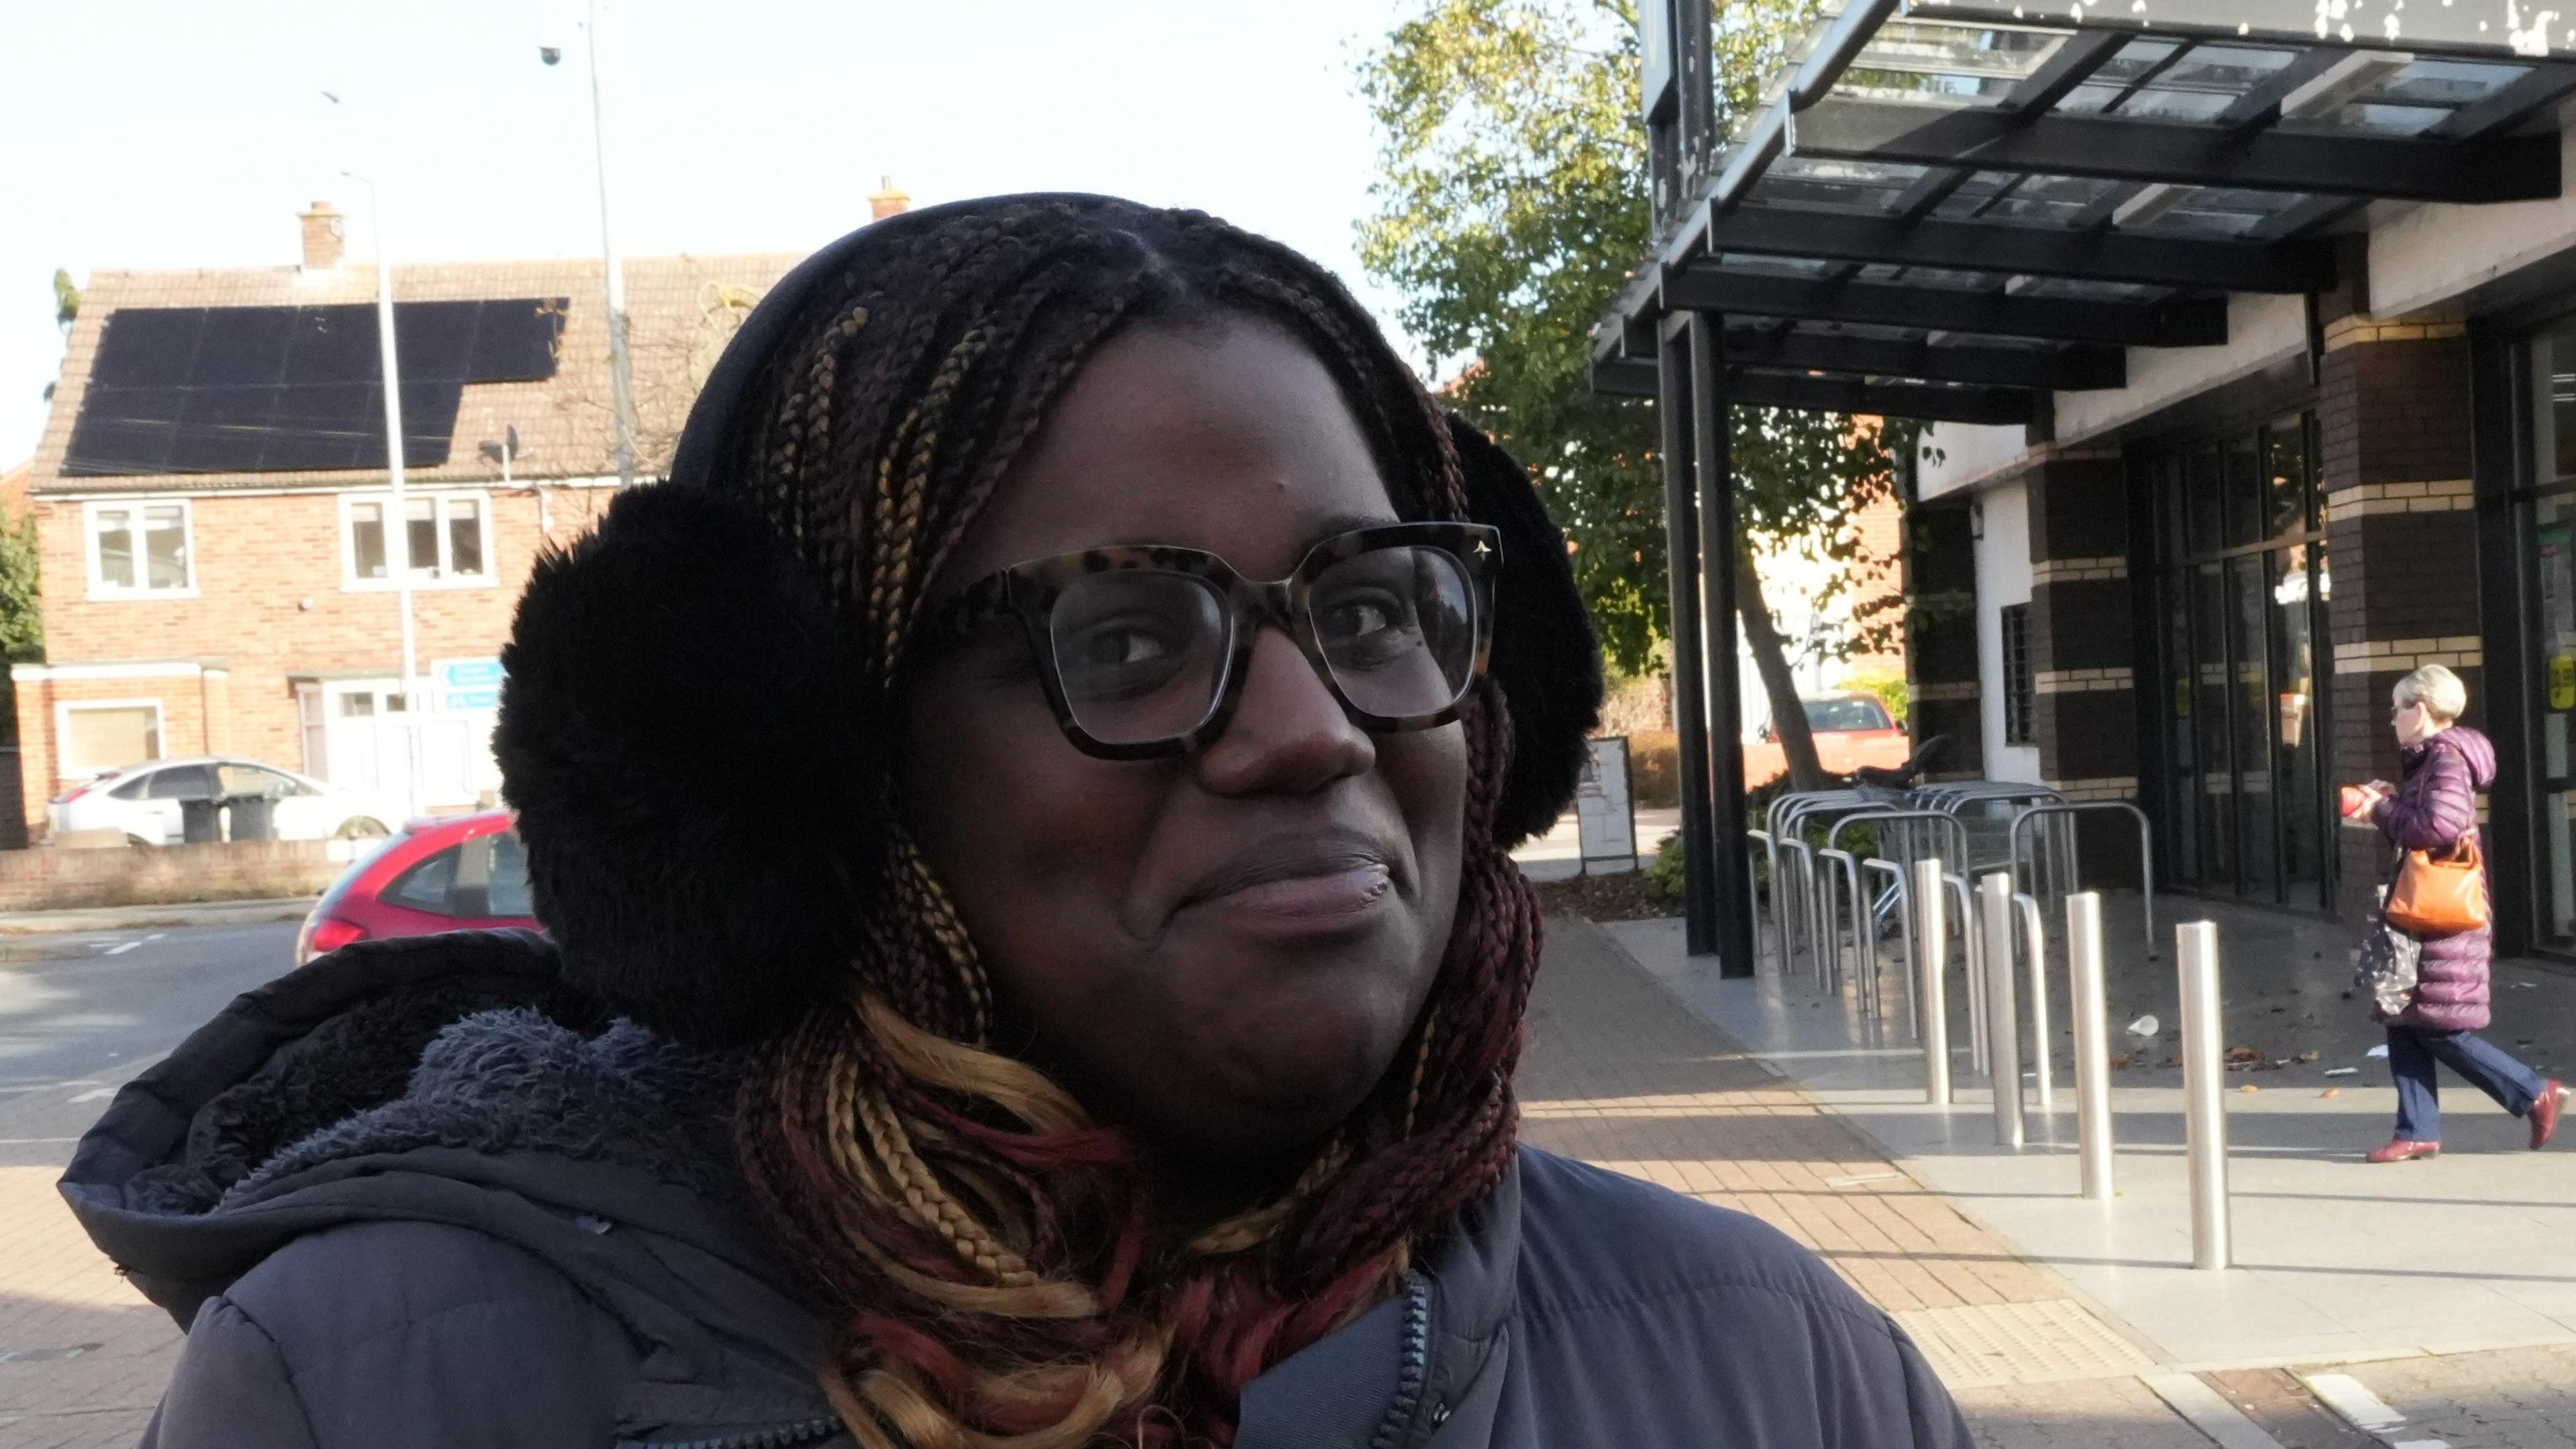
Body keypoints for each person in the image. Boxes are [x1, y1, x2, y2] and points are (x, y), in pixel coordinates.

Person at [64, 195, 1970, 1447]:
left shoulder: (1776, 1368)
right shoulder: (378, 1392)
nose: (1312, 731)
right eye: (1128, 638)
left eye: (1374, 609)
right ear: (805, 765)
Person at [2355, 663, 2565, 1163]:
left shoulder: (2446, 759)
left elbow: (2438, 827)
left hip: (2442, 916)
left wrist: (2380, 810)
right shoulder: (2432, 761)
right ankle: (2417, 1130)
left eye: (2397, 709)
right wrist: (2391, 799)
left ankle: (2531, 1090)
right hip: (2425, 913)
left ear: (2420, 710)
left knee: (2435, 1026)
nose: (2392, 720)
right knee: (2403, 1017)